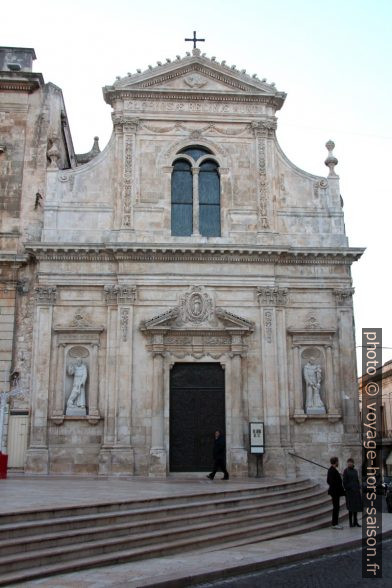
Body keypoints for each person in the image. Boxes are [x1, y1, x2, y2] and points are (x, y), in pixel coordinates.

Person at [343, 458, 362, 527]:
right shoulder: (346, 471)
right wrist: (349, 488)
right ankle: (350, 523)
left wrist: (358, 487)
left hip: (356, 492)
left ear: (353, 463)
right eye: (348, 462)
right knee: (350, 508)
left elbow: (357, 480)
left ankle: (355, 522)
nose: (350, 463)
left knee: (356, 508)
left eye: (351, 462)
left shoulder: (355, 471)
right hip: (350, 492)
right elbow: (344, 482)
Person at [327, 456, 345, 529]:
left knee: (336, 507)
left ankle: (335, 523)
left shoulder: (333, 470)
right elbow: (330, 481)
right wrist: (337, 486)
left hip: (335, 492)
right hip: (335, 492)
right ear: (336, 462)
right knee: (336, 507)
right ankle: (334, 524)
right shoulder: (332, 470)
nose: (338, 463)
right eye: (337, 461)